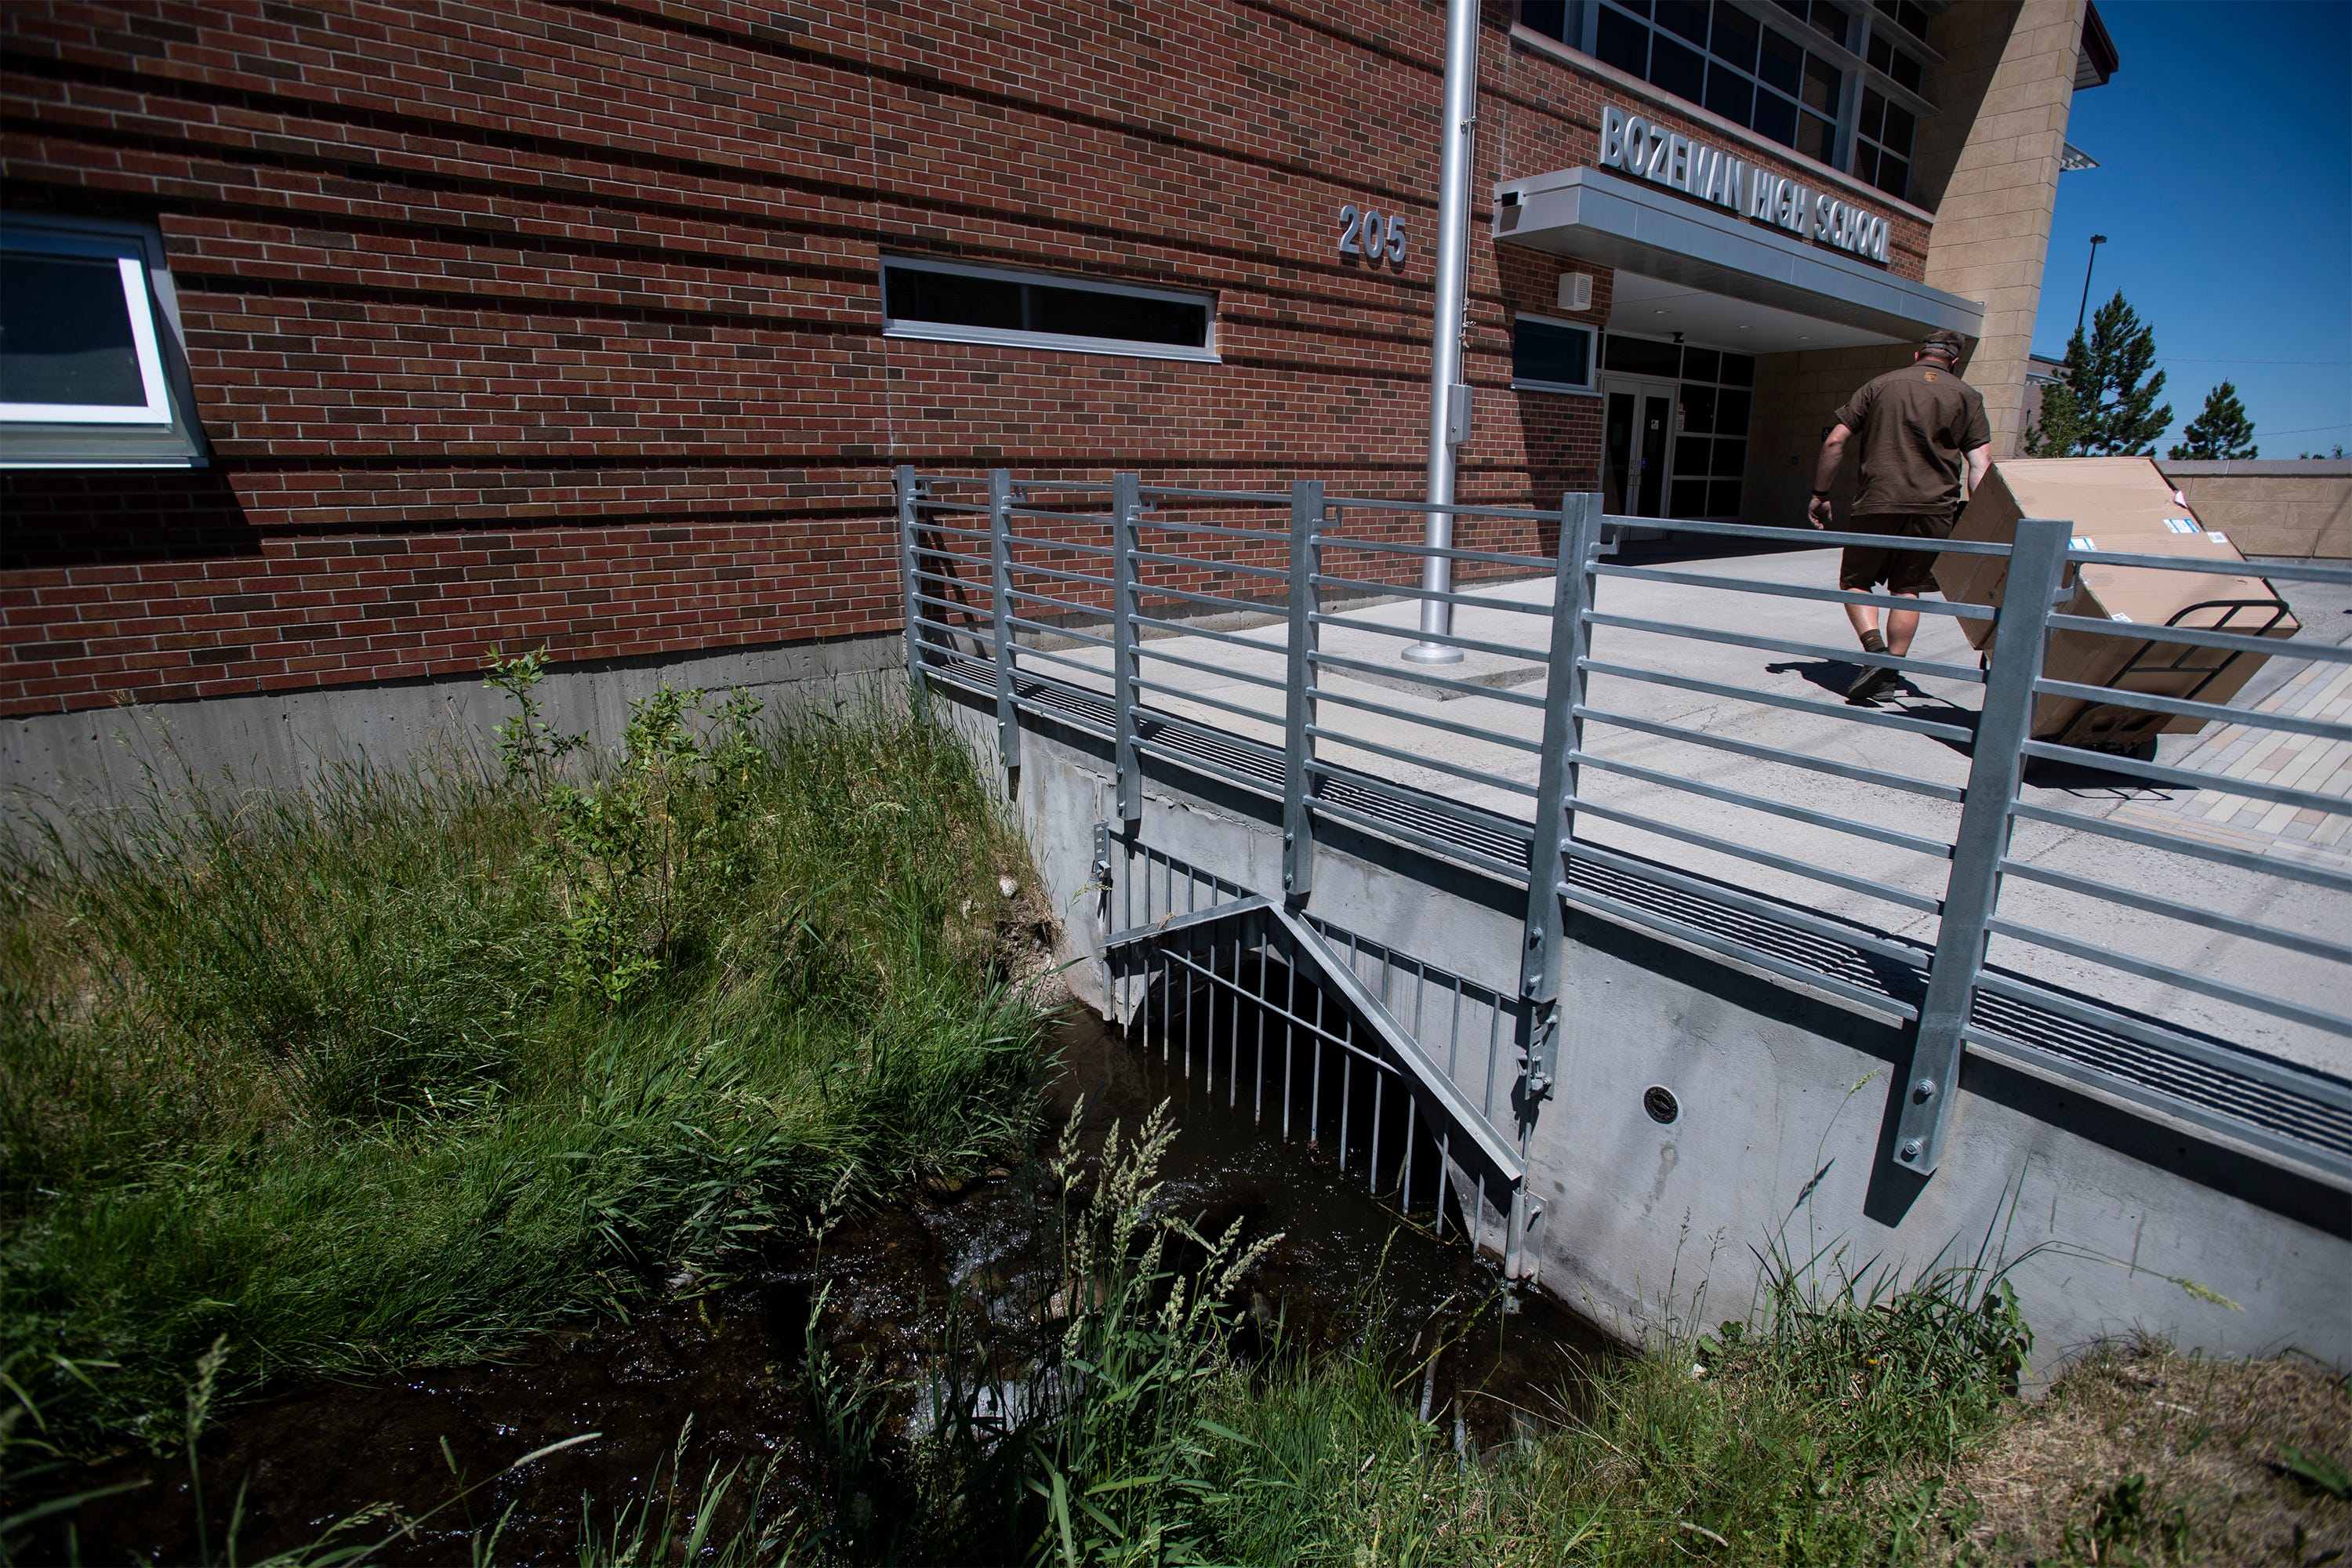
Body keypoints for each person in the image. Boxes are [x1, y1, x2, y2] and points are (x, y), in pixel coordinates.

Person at [1807, 329, 1992, 705]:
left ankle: (1874, 653)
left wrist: (1820, 494)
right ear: (1953, 362)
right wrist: (1982, 519)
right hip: (1936, 509)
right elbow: (1980, 464)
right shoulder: (1967, 396)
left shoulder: (1879, 385)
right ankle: (1889, 674)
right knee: (1906, 591)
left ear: (1917, 354)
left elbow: (1835, 441)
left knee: (1856, 581)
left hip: (1879, 501)